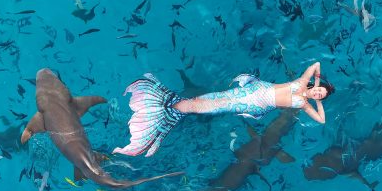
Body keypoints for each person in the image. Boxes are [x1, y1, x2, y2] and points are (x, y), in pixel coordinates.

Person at [113, 62, 334, 157]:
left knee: (218, 105)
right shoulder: (302, 82)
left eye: (320, 96)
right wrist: (316, 84)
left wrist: (317, 101)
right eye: (318, 91)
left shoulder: (305, 104)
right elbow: (316, 65)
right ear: (314, 86)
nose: (317, 94)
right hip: (256, 90)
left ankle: (171, 109)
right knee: (217, 100)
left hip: (254, 104)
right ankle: (171, 109)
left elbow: (322, 120)